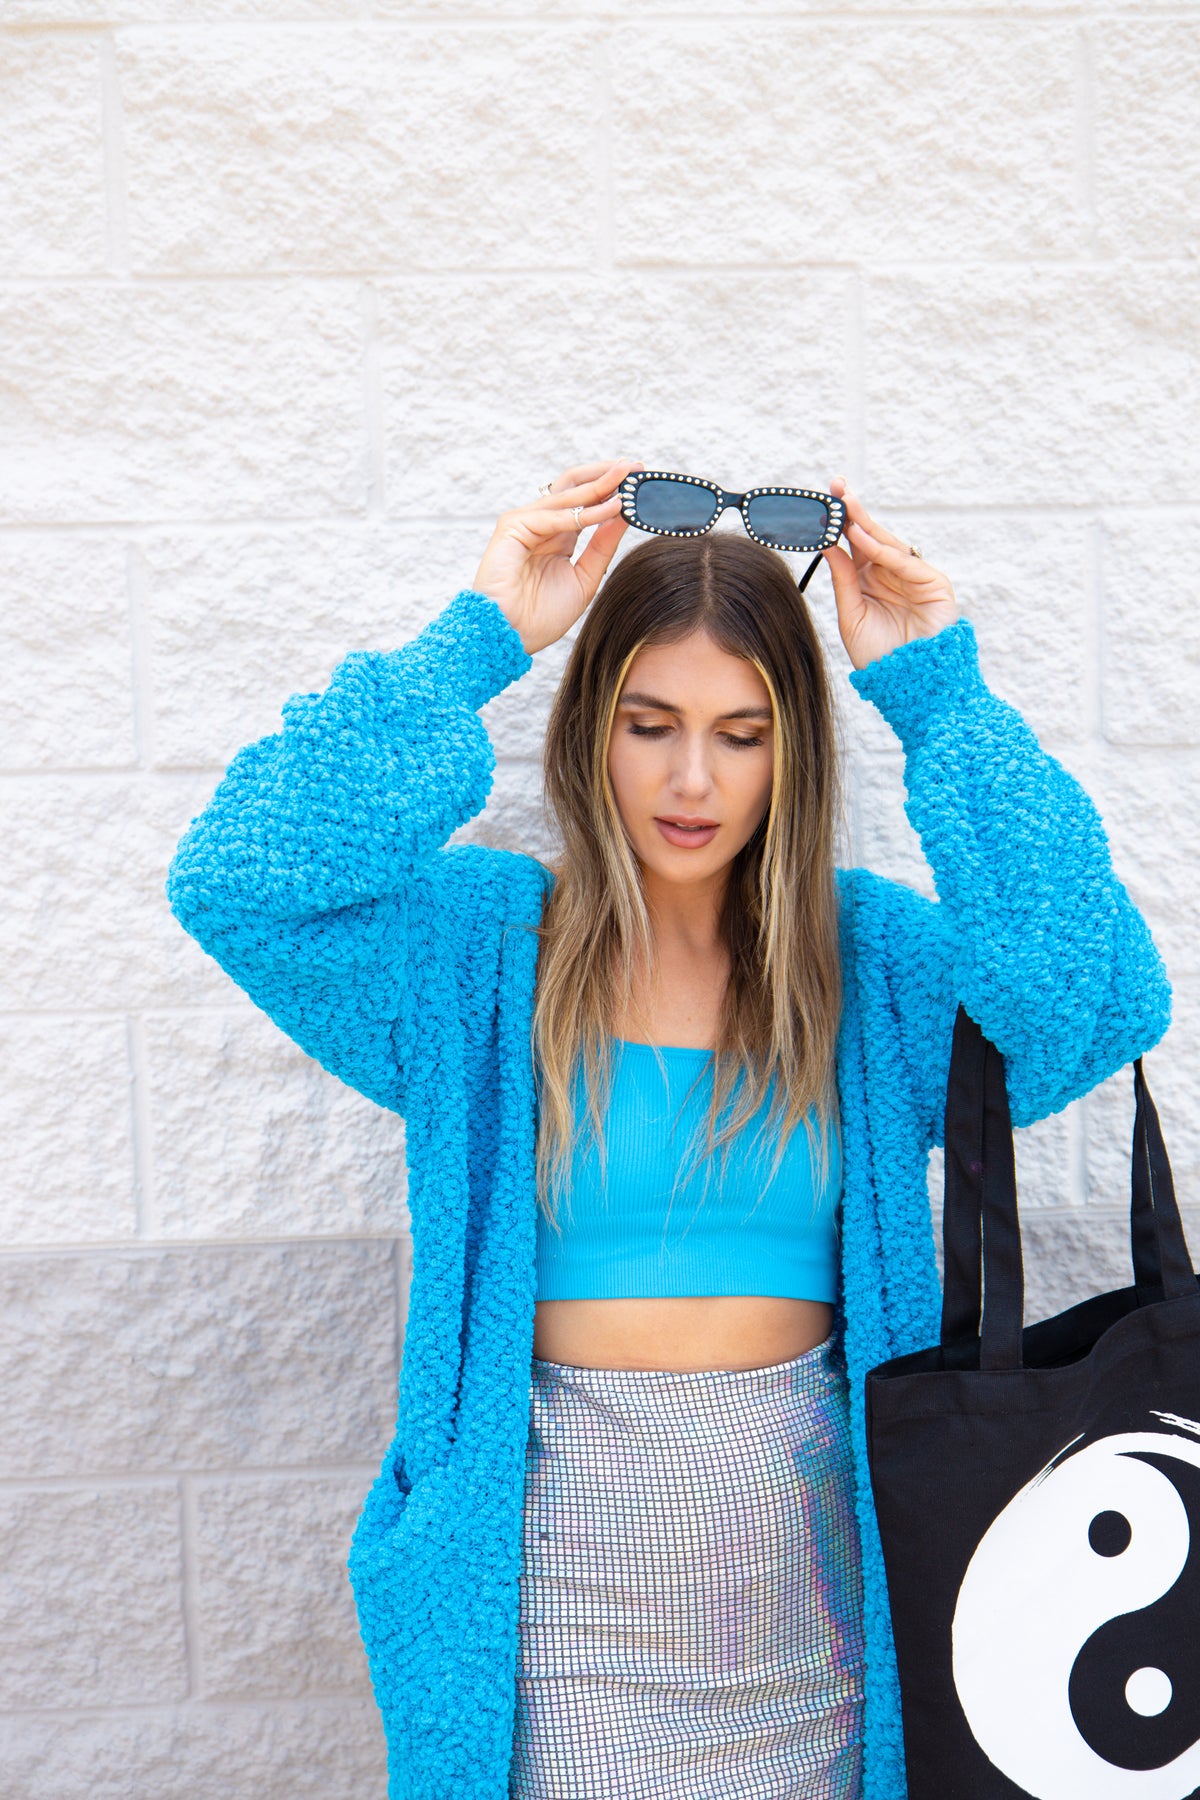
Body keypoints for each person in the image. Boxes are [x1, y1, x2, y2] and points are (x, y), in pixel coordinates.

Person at [165, 456, 1171, 1800]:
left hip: (829, 1624)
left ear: (791, 753)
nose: (692, 778)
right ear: (592, 726)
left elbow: (1088, 998)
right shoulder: (478, 959)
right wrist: (479, 635)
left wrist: (941, 698)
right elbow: (243, 880)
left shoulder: (865, 966)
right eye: (651, 724)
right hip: (552, 1625)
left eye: (741, 734)